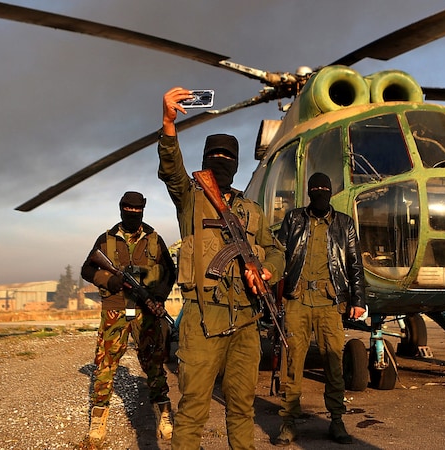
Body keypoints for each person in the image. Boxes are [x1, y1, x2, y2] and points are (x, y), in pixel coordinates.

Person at [158, 87, 285, 450]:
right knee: (194, 408)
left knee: (242, 408)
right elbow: (171, 170)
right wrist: (168, 123)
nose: (220, 160)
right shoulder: (190, 199)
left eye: (227, 156)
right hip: (202, 320)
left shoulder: (252, 210)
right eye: (214, 155)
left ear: (237, 163)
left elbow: (277, 251)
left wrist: (265, 272)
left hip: (245, 321)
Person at [274, 172, 366, 446]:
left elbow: (354, 264)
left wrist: (358, 300)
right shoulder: (294, 219)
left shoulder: (344, 224)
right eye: (315, 189)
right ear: (309, 192)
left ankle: (336, 421)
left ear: (330, 192)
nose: (320, 193)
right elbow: (278, 255)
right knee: (292, 367)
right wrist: (271, 288)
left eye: (324, 189)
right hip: (297, 301)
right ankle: (288, 423)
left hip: (330, 303)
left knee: (334, 364)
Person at [80, 191, 177, 445]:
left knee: (155, 363)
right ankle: (99, 418)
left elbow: (170, 271)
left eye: (137, 210)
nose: (132, 213)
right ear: (121, 209)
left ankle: (165, 414)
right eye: (128, 209)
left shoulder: (155, 239)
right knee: (105, 364)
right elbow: (87, 269)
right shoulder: (106, 239)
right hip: (115, 309)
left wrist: (158, 297)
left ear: (143, 211)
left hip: (145, 311)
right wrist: (111, 280)